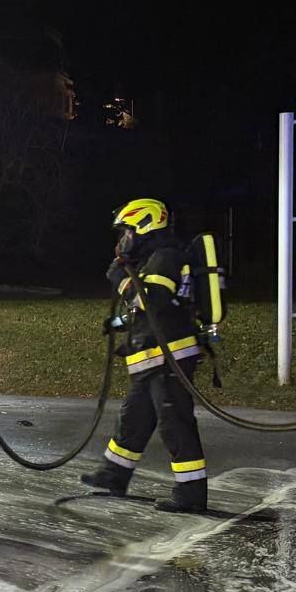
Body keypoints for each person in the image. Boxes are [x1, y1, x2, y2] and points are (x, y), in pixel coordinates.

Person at [79, 198, 209, 513]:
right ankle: (114, 476)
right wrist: (119, 322)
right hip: (151, 359)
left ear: (144, 225)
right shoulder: (152, 258)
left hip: (169, 359)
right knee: (133, 421)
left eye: (127, 231)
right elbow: (146, 312)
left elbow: (155, 301)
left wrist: (120, 277)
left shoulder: (165, 257)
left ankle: (192, 494)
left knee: (174, 424)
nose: (124, 239)